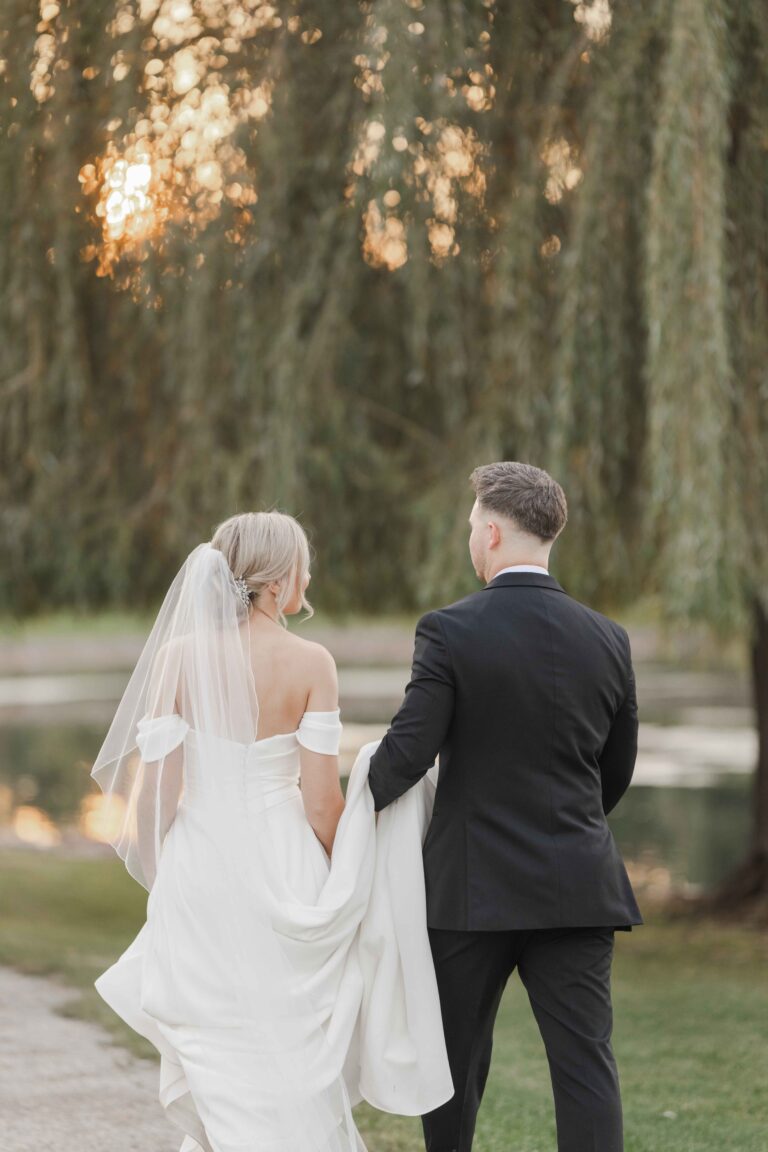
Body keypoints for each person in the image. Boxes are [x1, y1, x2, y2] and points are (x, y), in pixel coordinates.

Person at [90, 510, 452, 1152]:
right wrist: (349, 872)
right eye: (303, 566)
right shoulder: (312, 663)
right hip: (285, 864)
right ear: (280, 579)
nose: (308, 578)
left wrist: (164, 878)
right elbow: (321, 803)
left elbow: (157, 795)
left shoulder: (177, 658)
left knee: (217, 1041)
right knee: (283, 1042)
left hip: (199, 865)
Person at [368, 461, 642, 1152]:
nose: (470, 537)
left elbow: (407, 754)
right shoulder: (608, 639)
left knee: (452, 1065)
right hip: (577, 885)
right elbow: (614, 773)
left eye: (471, 526)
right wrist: (567, 826)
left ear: (491, 533)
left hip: (470, 890)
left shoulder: (449, 631)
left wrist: (342, 813)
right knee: (585, 1067)